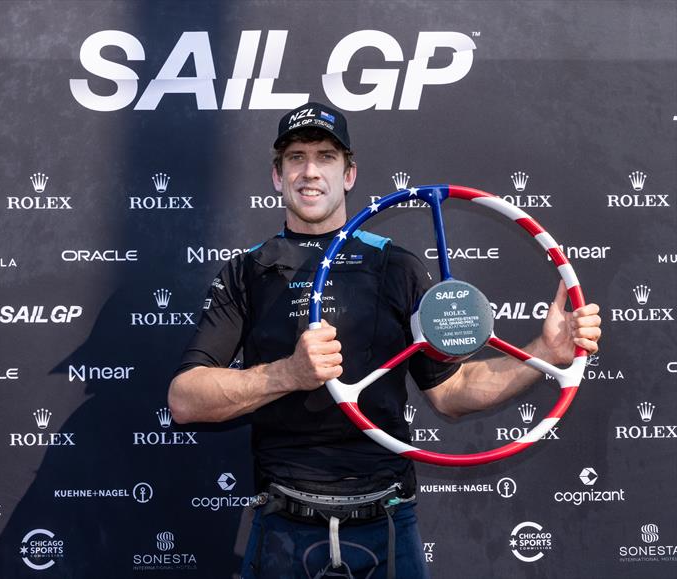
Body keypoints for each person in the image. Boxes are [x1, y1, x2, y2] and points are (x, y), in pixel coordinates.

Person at [168, 102, 601, 579]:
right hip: (283, 525)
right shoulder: (248, 270)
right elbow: (186, 400)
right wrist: (286, 374)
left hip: (387, 520)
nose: (310, 171)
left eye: (326, 157)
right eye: (296, 157)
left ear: (350, 174)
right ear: (277, 175)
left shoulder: (395, 265)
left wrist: (542, 355)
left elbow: (451, 392)